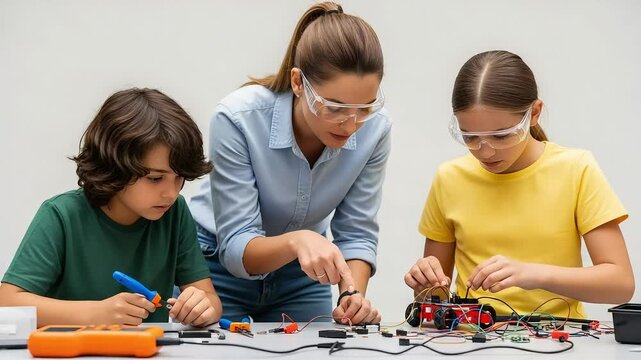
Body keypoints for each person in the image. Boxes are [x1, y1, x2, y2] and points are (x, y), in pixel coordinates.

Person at [189, 1, 390, 324]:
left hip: (301, 277)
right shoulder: (237, 118)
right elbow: (236, 245)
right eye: (334, 107)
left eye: (365, 107)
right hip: (217, 268)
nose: (351, 124)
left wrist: (352, 295)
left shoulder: (376, 130)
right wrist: (300, 239)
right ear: (298, 83)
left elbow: (357, 234)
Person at [404, 50, 634, 318]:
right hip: (469, 341)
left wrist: (533, 273)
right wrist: (425, 284)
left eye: (502, 135)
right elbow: (435, 299)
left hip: (557, 341)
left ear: (534, 113)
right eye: (470, 137)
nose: (485, 151)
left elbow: (620, 285)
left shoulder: (576, 169)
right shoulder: (449, 177)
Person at [0, 88, 223, 327]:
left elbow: (211, 300)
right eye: (155, 179)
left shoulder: (175, 212)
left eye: (180, 178)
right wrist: (95, 314)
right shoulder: (62, 215)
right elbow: (7, 302)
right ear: (115, 165)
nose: (172, 192)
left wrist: (202, 308)